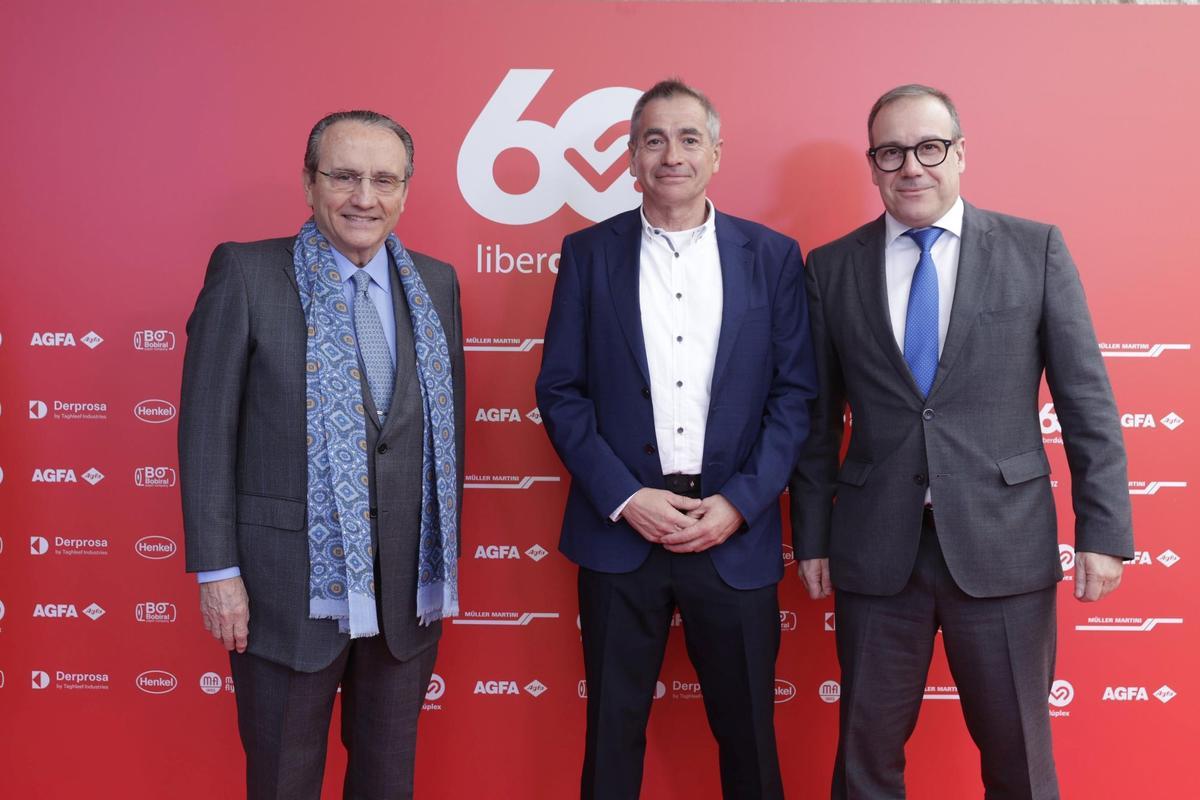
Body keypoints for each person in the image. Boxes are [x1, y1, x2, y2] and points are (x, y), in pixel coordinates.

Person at [790, 84, 1134, 799]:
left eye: (929, 147)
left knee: (1020, 762)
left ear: (960, 154)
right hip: (875, 552)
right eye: (891, 152)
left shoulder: (1034, 248)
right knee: (865, 762)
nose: (911, 167)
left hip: (1003, 547)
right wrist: (814, 538)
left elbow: (1087, 404)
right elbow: (817, 425)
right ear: (873, 165)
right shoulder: (830, 268)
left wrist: (1103, 531)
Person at [535, 78, 817, 800]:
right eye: (654, 139)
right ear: (631, 157)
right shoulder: (589, 253)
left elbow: (794, 397)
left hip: (734, 534)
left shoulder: (774, 256)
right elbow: (560, 391)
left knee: (751, 738)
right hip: (621, 534)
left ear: (716, 154)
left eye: (689, 138)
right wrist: (626, 497)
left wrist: (740, 504)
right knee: (611, 738)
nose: (672, 154)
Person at [178, 109, 465, 800]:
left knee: (387, 782)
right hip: (285, 593)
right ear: (310, 183)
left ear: (405, 192)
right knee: (282, 782)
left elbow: (441, 436)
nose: (364, 197)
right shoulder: (246, 274)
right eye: (344, 176)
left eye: (383, 180)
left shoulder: (437, 283)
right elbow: (205, 432)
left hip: (404, 595)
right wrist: (218, 572)